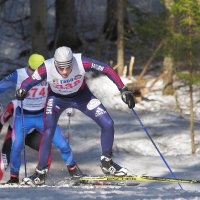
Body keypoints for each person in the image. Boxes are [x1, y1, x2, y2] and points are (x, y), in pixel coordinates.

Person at [16, 46, 135, 185]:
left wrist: (123, 89)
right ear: (55, 63)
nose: (65, 71)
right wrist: (22, 90)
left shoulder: (81, 62)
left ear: (72, 61)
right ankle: (40, 173)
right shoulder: (46, 67)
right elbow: (28, 82)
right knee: (48, 132)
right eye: (61, 68)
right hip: (56, 100)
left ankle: (107, 163)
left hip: (82, 97)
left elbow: (106, 68)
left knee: (108, 123)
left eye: (68, 67)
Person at [0, 54, 83, 184]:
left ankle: (74, 170)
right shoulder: (19, 74)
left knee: (62, 144)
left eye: (40, 69)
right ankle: (14, 177)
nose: (37, 73)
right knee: (16, 147)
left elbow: (63, 87)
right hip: (24, 116)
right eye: (34, 70)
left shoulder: (50, 72)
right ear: (29, 67)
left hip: (43, 115)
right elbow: (1, 86)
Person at [0, 100, 52, 181]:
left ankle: (40, 177)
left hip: (31, 134)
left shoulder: (39, 102)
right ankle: (14, 179)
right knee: (4, 161)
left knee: (46, 148)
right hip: (14, 134)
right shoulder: (14, 104)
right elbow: (2, 121)